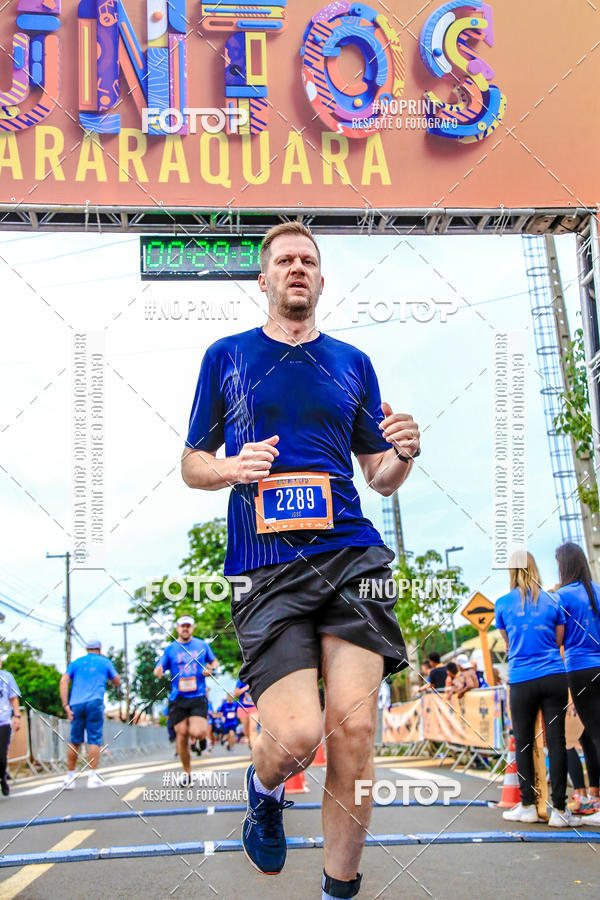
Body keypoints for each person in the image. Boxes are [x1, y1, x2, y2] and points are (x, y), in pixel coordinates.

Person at [181, 222, 417, 898]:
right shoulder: (226, 356)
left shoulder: (352, 362)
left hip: (351, 554)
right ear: (262, 278)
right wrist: (228, 469)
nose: (296, 268)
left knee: (356, 731)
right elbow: (190, 462)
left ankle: (338, 890)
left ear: (320, 278)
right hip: (266, 565)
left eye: (307, 260)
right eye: (282, 259)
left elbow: (378, 473)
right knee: (296, 736)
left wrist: (402, 449)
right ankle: (263, 791)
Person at [495, 552, 581, 827]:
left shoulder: (502, 604)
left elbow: (508, 644)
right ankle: (559, 809)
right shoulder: (553, 600)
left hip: (521, 678)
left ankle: (528, 805)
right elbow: (558, 640)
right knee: (556, 742)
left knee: (523, 741)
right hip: (554, 675)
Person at [554, 542, 600, 825]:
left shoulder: (562, 596)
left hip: (580, 670)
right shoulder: (597, 590)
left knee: (594, 736)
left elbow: (557, 639)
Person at [154, 616, 218, 782]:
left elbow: (214, 662)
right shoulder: (170, 649)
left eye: (188, 626)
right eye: (183, 626)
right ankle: (187, 773)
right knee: (181, 734)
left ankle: (202, 738)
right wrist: (158, 670)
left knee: (197, 731)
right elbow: (160, 666)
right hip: (178, 697)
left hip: (198, 696)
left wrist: (210, 669)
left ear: (192, 628)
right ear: (177, 629)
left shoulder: (202, 645)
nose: (185, 629)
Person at [59, 638, 120, 789]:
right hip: (95, 701)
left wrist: (66, 705)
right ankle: (92, 777)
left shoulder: (76, 663)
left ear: (87, 649)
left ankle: (70, 778)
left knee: (75, 740)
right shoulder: (104, 661)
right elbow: (117, 680)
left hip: (76, 704)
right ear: (99, 649)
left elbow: (63, 681)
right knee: (94, 739)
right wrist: (111, 681)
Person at [0, 660, 21, 796]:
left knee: (1, 755)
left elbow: (13, 698)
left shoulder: (7, 677)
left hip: (3, 721)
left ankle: (2, 777)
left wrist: (17, 716)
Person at [234, 677, 259, 748]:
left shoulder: (256, 677)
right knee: (246, 731)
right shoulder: (241, 679)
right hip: (242, 708)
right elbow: (236, 693)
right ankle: (250, 741)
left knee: (253, 729)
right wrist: (246, 688)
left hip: (254, 707)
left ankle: (254, 750)